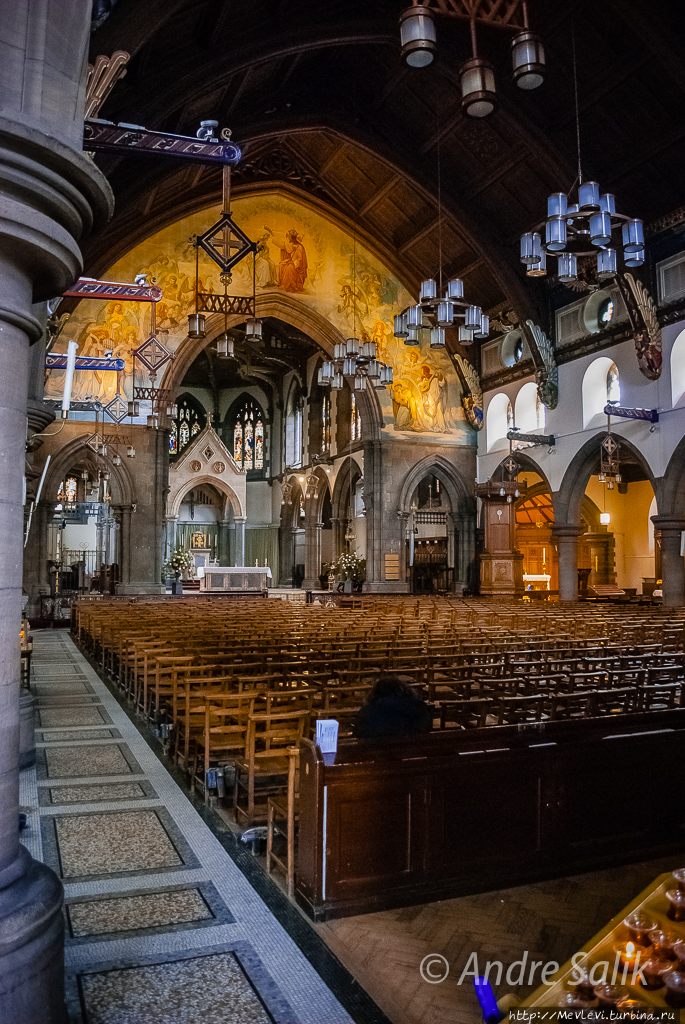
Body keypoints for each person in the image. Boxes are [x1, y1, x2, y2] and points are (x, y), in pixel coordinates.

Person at [353, 675, 432, 738]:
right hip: (414, 752)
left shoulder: (369, 711)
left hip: (378, 754)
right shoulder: (418, 708)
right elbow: (427, 727)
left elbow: (358, 732)